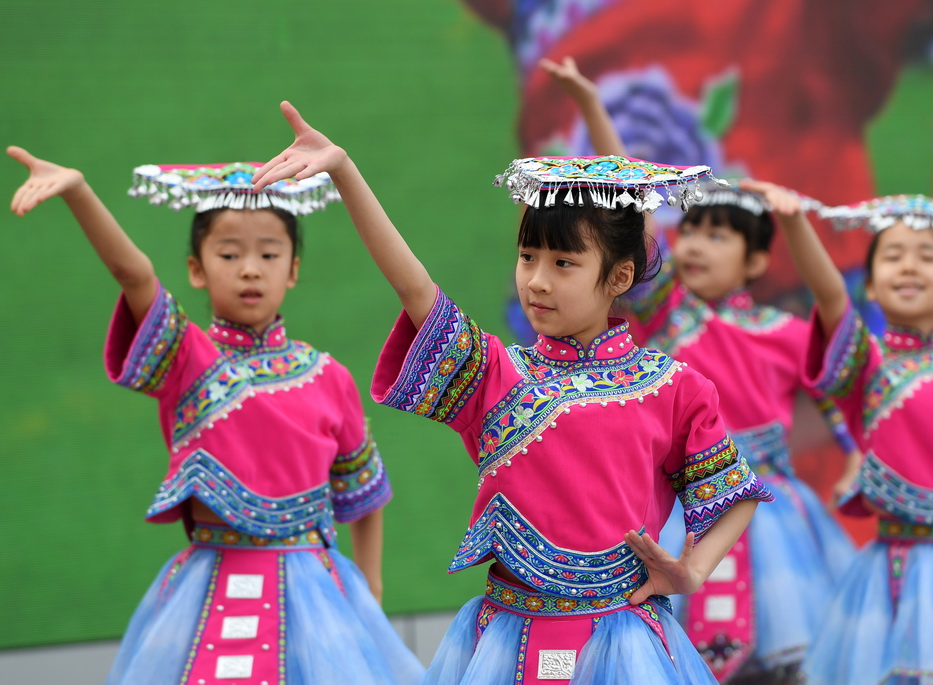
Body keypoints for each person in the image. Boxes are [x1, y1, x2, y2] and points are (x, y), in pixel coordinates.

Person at [252, 100, 773, 684]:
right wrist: (346, 172)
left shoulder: (675, 388)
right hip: (508, 640)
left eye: (564, 262)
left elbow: (733, 491)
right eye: (527, 257)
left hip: (626, 646)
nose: (537, 280)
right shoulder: (496, 374)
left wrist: (692, 571)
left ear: (619, 277)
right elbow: (414, 286)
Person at [7, 148, 424, 685]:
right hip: (210, 587)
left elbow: (363, 492)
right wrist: (79, 193)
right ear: (196, 270)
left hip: (319, 594)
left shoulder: (328, 376)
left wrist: (368, 592)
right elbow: (132, 274)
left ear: (293, 270)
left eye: (269, 255)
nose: (250, 268)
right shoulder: (188, 359)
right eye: (229, 255)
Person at [540, 56, 861, 684]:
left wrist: (795, 223)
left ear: (757, 260)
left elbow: (834, 345)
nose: (693, 246)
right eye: (690, 232)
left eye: (718, 236)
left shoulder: (787, 334)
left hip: (771, 518)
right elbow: (627, 207)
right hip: (685, 513)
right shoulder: (669, 315)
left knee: (784, 661)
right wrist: (591, 106)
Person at [747, 184, 933, 684]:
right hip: (893, 570)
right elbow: (830, 293)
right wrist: (794, 223)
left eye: (927, 256)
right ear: (871, 285)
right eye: (893, 256)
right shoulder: (866, 366)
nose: (910, 267)